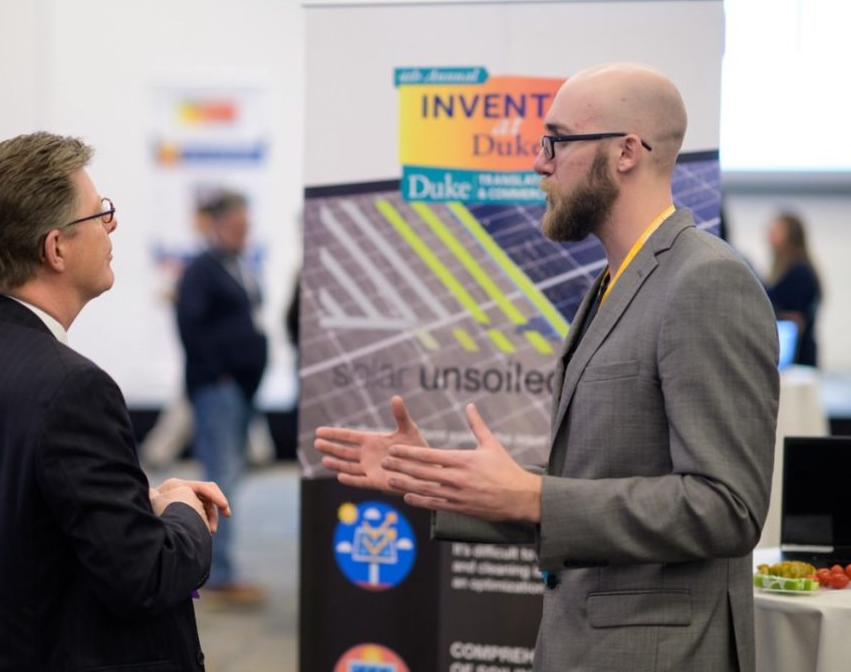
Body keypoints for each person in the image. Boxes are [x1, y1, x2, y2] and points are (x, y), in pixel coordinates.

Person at [315, 63, 779, 672]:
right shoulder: (614, 282)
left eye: (556, 142)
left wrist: (536, 497)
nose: (539, 163)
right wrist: (432, 479)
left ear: (626, 152)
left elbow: (728, 507)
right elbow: (590, 483)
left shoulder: (706, 282)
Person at [0, 132, 228, 671]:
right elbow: (144, 576)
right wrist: (182, 510)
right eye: (98, 215)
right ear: (55, 248)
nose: (112, 226)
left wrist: (136, 505)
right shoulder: (73, 387)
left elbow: (24, 517)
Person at [175, 190, 268, 604]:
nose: (241, 234)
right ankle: (218, 575)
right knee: (220, 481)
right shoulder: (201, 270)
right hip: (218, 391)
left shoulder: (237, 267)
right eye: (235, 227)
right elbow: (190, 329)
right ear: (216, 227)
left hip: (240, 390)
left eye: (245, 228)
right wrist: (221, 376)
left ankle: (221, 571)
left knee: (230, 477)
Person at [765, 211, 821, 366]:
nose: (769, 235)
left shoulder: (798, 272)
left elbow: (795, 318)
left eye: (775, 231)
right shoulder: (790, 269)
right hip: (798, 352)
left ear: (790, 236)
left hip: (796, 355)